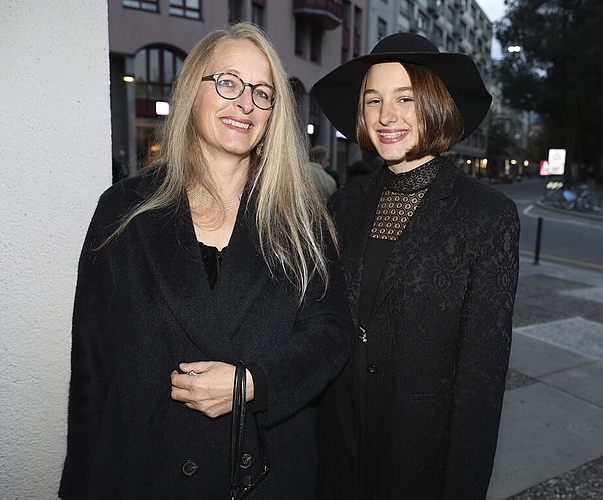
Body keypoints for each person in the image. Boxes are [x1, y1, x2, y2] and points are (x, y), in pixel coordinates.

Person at [59, 22, 352, 500]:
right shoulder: (124, 210)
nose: (245, 103)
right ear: (192, 89)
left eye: (263, 92)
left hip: (263, 474)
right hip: (145, 470)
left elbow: (331, 334)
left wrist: (252, 384)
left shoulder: (300, 219)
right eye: (228, 82)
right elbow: (92, 366)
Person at [313, 32, 520, 499]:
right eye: (373, 100)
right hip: (338, 446)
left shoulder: (487, 216)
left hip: (420, 457)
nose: (386, 116)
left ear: (435, 104)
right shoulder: (343, 204)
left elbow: (481, 380)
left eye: (404, 98)